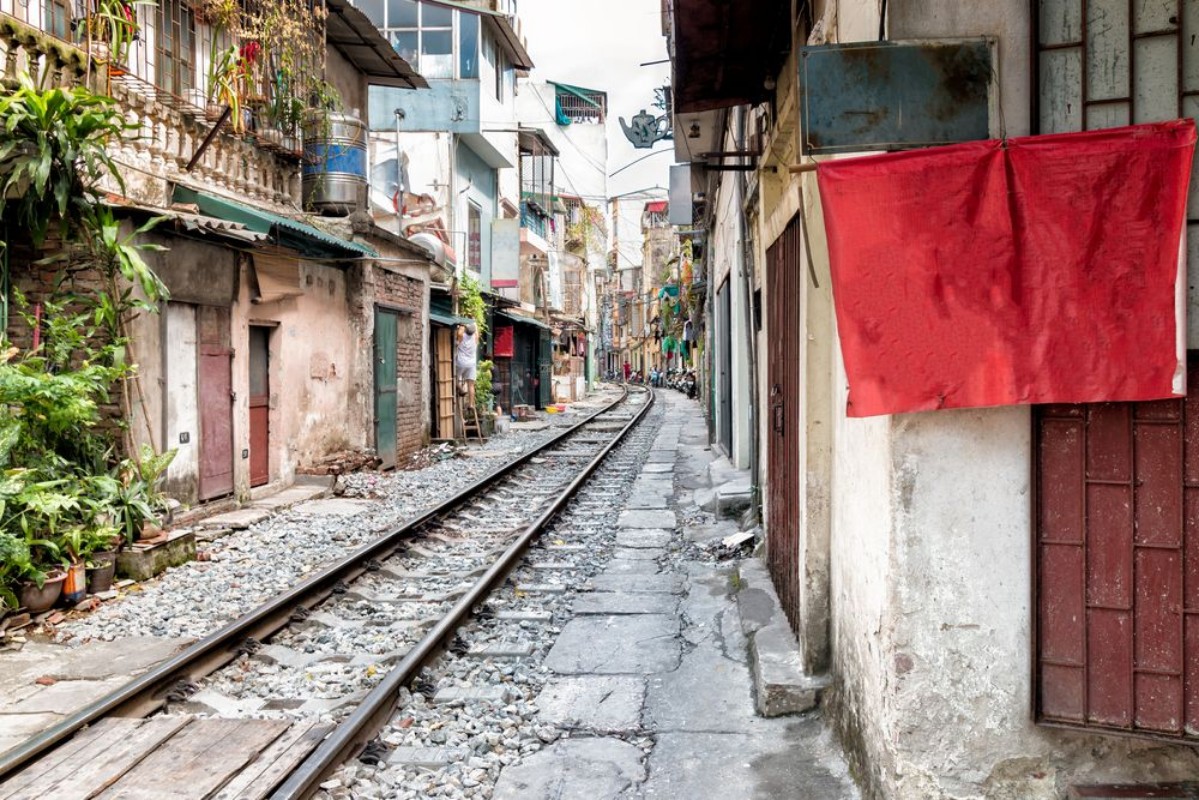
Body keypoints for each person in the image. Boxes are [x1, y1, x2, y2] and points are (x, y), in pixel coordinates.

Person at [455, 322, 478, 406]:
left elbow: (459, 333)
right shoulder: (475, 338)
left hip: (461, 362)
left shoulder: (462, 336)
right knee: (471, 385)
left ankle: (460, 388)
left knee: (454, 378)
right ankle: (471, 404)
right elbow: (476, 330)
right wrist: (474, 323)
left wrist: (462, 324)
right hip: (471, 364)